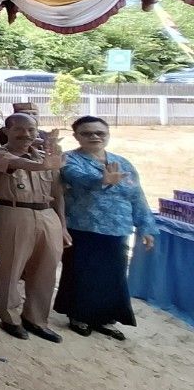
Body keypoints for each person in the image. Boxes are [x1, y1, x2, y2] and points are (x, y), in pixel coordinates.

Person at [55, 116, 157, 340]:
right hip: (83, 227)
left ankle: (105, 318)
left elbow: (137, 196)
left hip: (117, 228)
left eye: (100, 133)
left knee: (112, 276)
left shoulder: (122, 162)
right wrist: (102, 180)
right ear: (76, 136)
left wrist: (146, 227)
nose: (94, 137)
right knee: (81, 273)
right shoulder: (69, 160)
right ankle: (78, 315)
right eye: (87, 133)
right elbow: (79, 179)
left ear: (108, 135)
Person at [0, 115, 68, 342]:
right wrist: (43, 164)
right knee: (11, 268)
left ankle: (36, 319)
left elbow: (58, 193)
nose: (26, 134)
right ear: (7, 131)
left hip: (46, 214)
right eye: (19, 129)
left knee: (46, 268)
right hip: (13, 212)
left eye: (31, 130)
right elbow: (18, 164)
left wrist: (62, 224)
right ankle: (10, 317)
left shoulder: (45, 157)